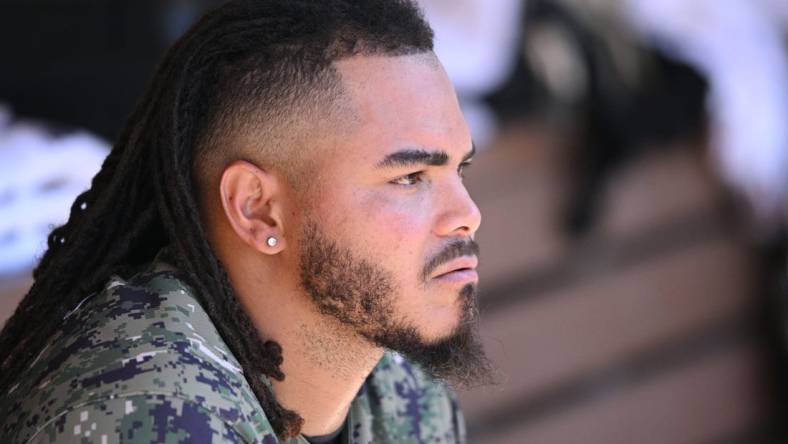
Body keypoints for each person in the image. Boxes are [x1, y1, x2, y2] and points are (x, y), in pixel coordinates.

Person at [0, 1, 493, 443]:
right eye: (409, 176)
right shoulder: (146, 415)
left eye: (459, 168)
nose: (467, 215)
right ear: (257, 209)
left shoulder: (402, 385)